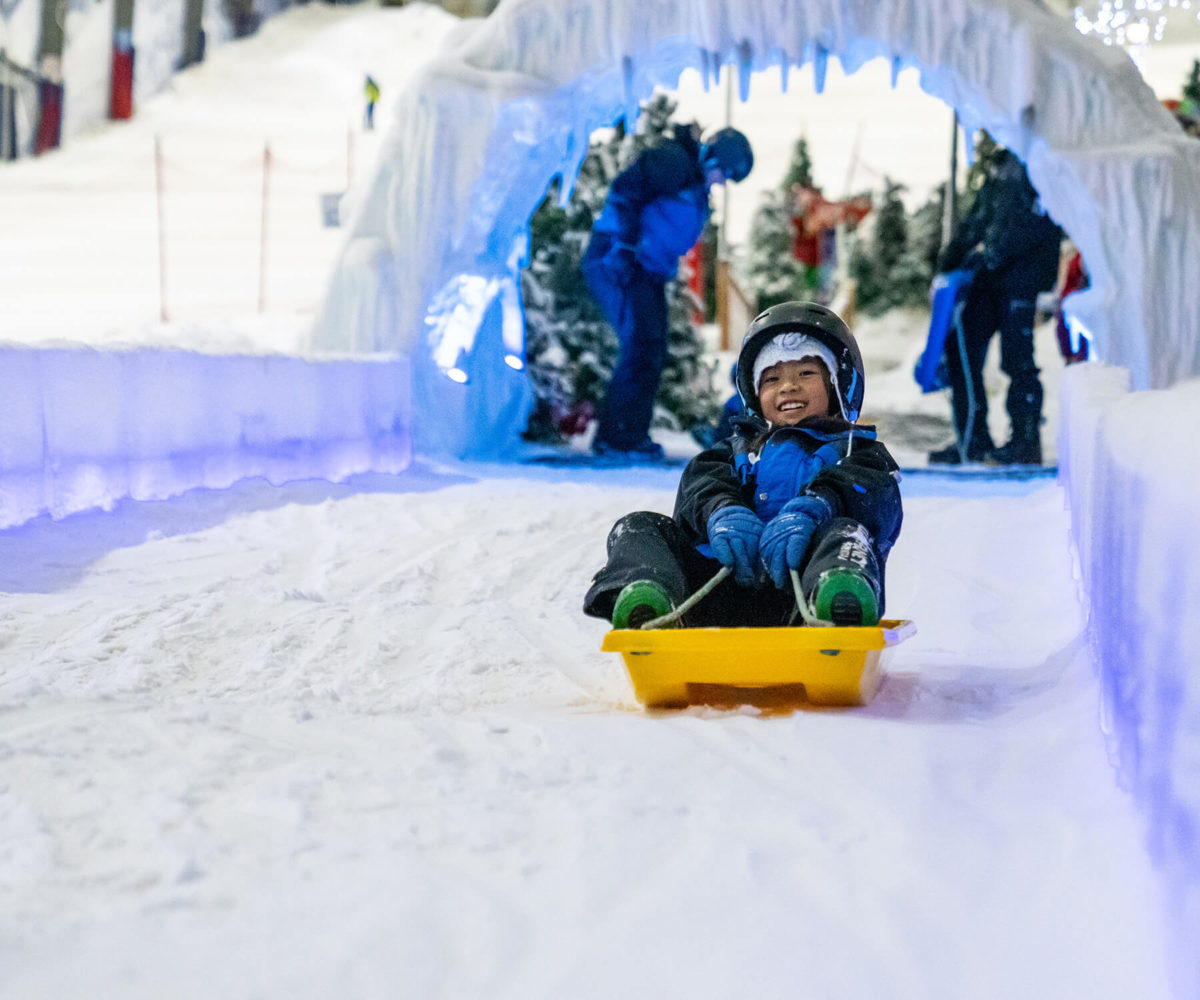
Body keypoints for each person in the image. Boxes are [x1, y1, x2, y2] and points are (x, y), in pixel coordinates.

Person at [583, 301, 903, 630]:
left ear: (839, 384)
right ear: (753, 393)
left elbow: (875, 495)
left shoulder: (856, 452)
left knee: (847, 533)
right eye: (772, 378)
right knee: (639, 526)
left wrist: (818, 504)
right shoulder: (736, 450)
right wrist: (721, 511)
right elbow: (701, 485)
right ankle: (653, 604)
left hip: (804, 599)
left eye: (806, 373)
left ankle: (840, 602)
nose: (787, 386)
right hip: (721, 587)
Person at [583, 123, 753, 460]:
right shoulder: (674, 160)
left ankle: (628, 435)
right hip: (620, 261)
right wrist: (626, 247)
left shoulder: (693, 179)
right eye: (724, 172)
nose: (720, 182)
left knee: (651, 347)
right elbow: (626, 191)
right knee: (640, 345)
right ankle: (617, 439)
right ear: (714, 155)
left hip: (647, 271)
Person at [929, 147, 1062, 466]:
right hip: (986, 279)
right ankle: (971, 439)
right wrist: (948, 263)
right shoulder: (1000, 165)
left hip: (1022, 277)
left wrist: (990, 253)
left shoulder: (1038, 159)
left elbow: (1036, 220)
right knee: (962, 351)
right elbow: (978, 218)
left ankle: (1025, 441)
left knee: (1017, 360)